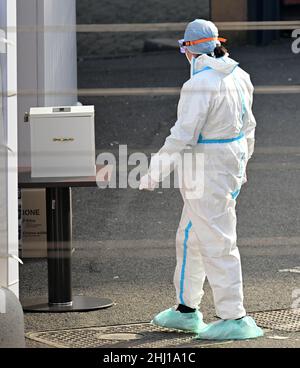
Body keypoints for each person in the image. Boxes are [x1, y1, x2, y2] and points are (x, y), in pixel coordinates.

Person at [139, 19, 263, 340]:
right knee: (191, 236)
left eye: (184, 48)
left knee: (217, 240)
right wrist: (243, 166)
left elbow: (183, 135)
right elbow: (248, 127)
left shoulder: (199, 85)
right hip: (227, 166)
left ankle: (234, 315)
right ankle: (186, 309)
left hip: (207, 170)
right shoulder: (240, 75)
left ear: (190, 50)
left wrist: (155, 172)